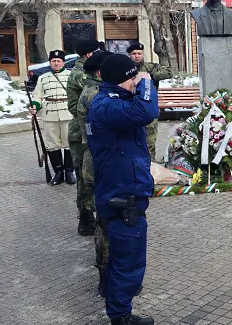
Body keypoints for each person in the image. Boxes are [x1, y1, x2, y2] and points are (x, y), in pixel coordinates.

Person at [86, 53, 158, 325]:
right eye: (132, 76)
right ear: (120, 80)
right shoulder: (106, 106)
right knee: (127, 261)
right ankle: (120, 316)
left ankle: (120, 306)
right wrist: (146, 84)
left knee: (126, 258)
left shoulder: (113, 101)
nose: (136, 81)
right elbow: (147, 110)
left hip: (126, 190)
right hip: (122, 195)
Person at [77, 51, 114, 297]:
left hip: (93, 161)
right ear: (101, 72)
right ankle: (109, 276)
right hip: (106, 165)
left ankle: (105, 274)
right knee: (109, 224)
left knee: (103, 222)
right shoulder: (98, 94)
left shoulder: (89, 92)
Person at [66, 40, 104, 235]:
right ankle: (86, 217)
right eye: (97, 51)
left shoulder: (87, 70)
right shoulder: (80, 74)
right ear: (89, 54)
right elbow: (99, 86)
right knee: (84, 177)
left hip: (92, 129)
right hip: (81, 133)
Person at [30, 50, 75, 186]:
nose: (56, 63)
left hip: (68, 113)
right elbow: (37, 95)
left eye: (59, 61)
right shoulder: (43, 78)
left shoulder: (71, 75)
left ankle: (69, 171)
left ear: (63, 62)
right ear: (50, 62)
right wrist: (35, 106)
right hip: (50, 114)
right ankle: (58, 172)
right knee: (52, 145)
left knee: (69, 143)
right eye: (53, 61)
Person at [128, 42, 173, 161]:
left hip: (149, 109)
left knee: (150, 141)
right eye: (134, 54)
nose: (136, 56)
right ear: (129, 55)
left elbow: (169, 73)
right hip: (131, 109)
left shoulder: (150, 67)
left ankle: (151, 164)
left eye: (139, 53)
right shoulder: (126, 69)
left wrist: (152, 76)